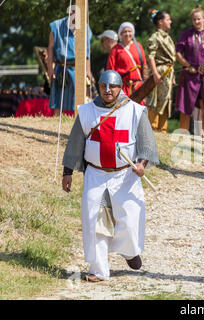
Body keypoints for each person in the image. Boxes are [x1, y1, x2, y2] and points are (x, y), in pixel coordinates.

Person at [61, 70, 159, 282]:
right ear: (98, 86)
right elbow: (75, 143)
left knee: (130, 220)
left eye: (112, 86)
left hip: (125, 177)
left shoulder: (134, 111)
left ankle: (129, 250)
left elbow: (146, 145)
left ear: (120, 87)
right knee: (94, 220)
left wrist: (141, 164)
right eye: (104, 86)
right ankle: (98, 269)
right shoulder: (87, 112)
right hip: (96, 175)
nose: (107, 90)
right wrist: (67, 172)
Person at [175, 6, 204, 136]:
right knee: (185, 105)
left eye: (199, 19)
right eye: (194, 19)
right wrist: (187, 65)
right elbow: (178, 53)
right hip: (190, 75)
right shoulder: (186, 34)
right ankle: (183, 133)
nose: (197, 21)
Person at [47, 6, 93, 116]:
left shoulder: (85, 28)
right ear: (70, 13)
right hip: (61, 67)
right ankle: (57, 119)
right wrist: (50, 68)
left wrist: (88, 70)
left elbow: (87, 53)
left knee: (79, 99)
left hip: (78, 68)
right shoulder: (56, 26)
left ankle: (76, 121)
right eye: (74, 14)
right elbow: (50, 48)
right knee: (59, 99)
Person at [146, 10, 176, 133]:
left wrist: (173, 76)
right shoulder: (155, 37)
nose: (170, 21)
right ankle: (152, 127)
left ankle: (162, 128)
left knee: (166, 99)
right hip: (160, 71)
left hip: (168, 71)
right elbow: (151, 56)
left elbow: (171, 59)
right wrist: (155, 74)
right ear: (160, 22)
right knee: (156, 98)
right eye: (168, 19)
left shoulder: (168, 37)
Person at [106, 22, 148, 104]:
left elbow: (144, 66)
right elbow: (110, 70)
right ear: (120, 34)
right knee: (122, 112)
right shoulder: (115, 49)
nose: (127, 34)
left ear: (133, 33)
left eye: (130, 31)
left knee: (138, 112)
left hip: (137, 87)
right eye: (124, 32)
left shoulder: (138, 46)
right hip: (122, 87)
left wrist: (145, 88)